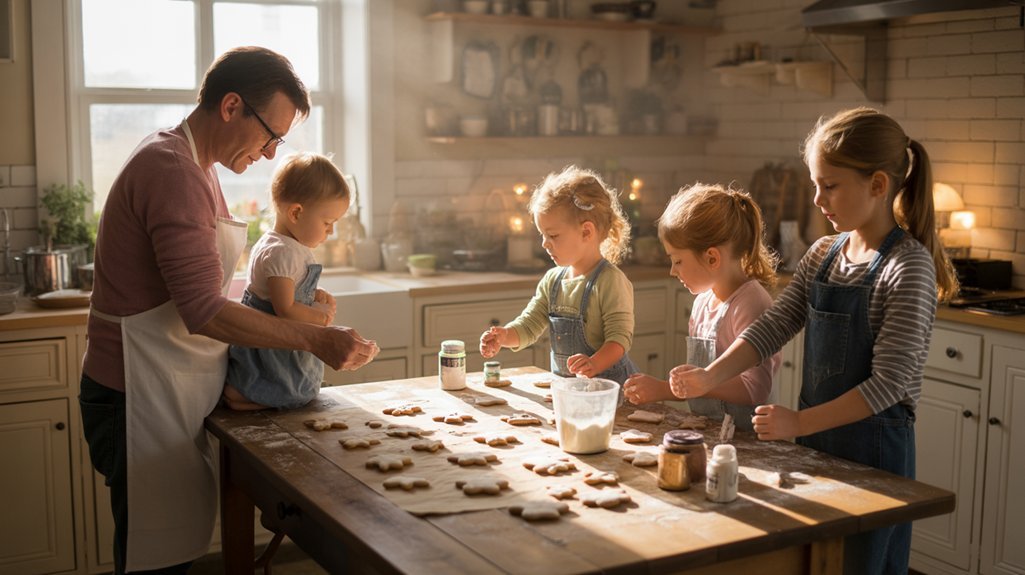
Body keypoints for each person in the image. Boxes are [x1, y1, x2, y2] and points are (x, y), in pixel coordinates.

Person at [78, 47, 379, 574]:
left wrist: (287, 303)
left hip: (164, 386)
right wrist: (315, 340)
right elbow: (202, 310)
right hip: (134, 394)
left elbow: (196, 281)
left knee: (169, 549)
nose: (269, 154)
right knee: (154, 560)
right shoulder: (172, 170)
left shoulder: (197, 165)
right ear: (232, 106)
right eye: (270, 135)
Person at [672, 107, 957, 574]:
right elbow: (772, 327)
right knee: (818, 561)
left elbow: (887, 386)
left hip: (875, 453)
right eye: (815, 183)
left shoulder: (908, 268)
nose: (817, 197)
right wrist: (710, 375)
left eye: (830, 185)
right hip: (816, 444)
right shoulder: (824, 253)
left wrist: (800, 422)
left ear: (878, 185)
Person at [622, 183, 781, 430]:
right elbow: (700, 383)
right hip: (707, 430)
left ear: (712, 258)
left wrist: (665, 389)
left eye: (677, 261)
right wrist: (662, 388)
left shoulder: (751, 304)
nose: (673, 271)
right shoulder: (702, 303)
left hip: (746, 438)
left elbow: (756, 388)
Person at [479, 165, 637, 386]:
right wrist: (504, 336)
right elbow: (529, 325)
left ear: (586, 232)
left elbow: (619, 340)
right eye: (543, 235)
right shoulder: (553, 281)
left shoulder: (610, 281)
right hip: (568, 391)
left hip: (609, 393)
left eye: (552, 235)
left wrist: (594, 364)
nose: (544, 243)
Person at [223, 152, 350, 410]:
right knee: (288, 388)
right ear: (296, 213)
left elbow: (289, 288)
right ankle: (244, 395)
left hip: (274, 335)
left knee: (298, 389)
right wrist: (320, 317)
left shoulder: (284, 245)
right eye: (327, 223)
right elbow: (285, 308)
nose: (331, 231)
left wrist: (313, 294)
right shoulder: (283, 252)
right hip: (270, 344)